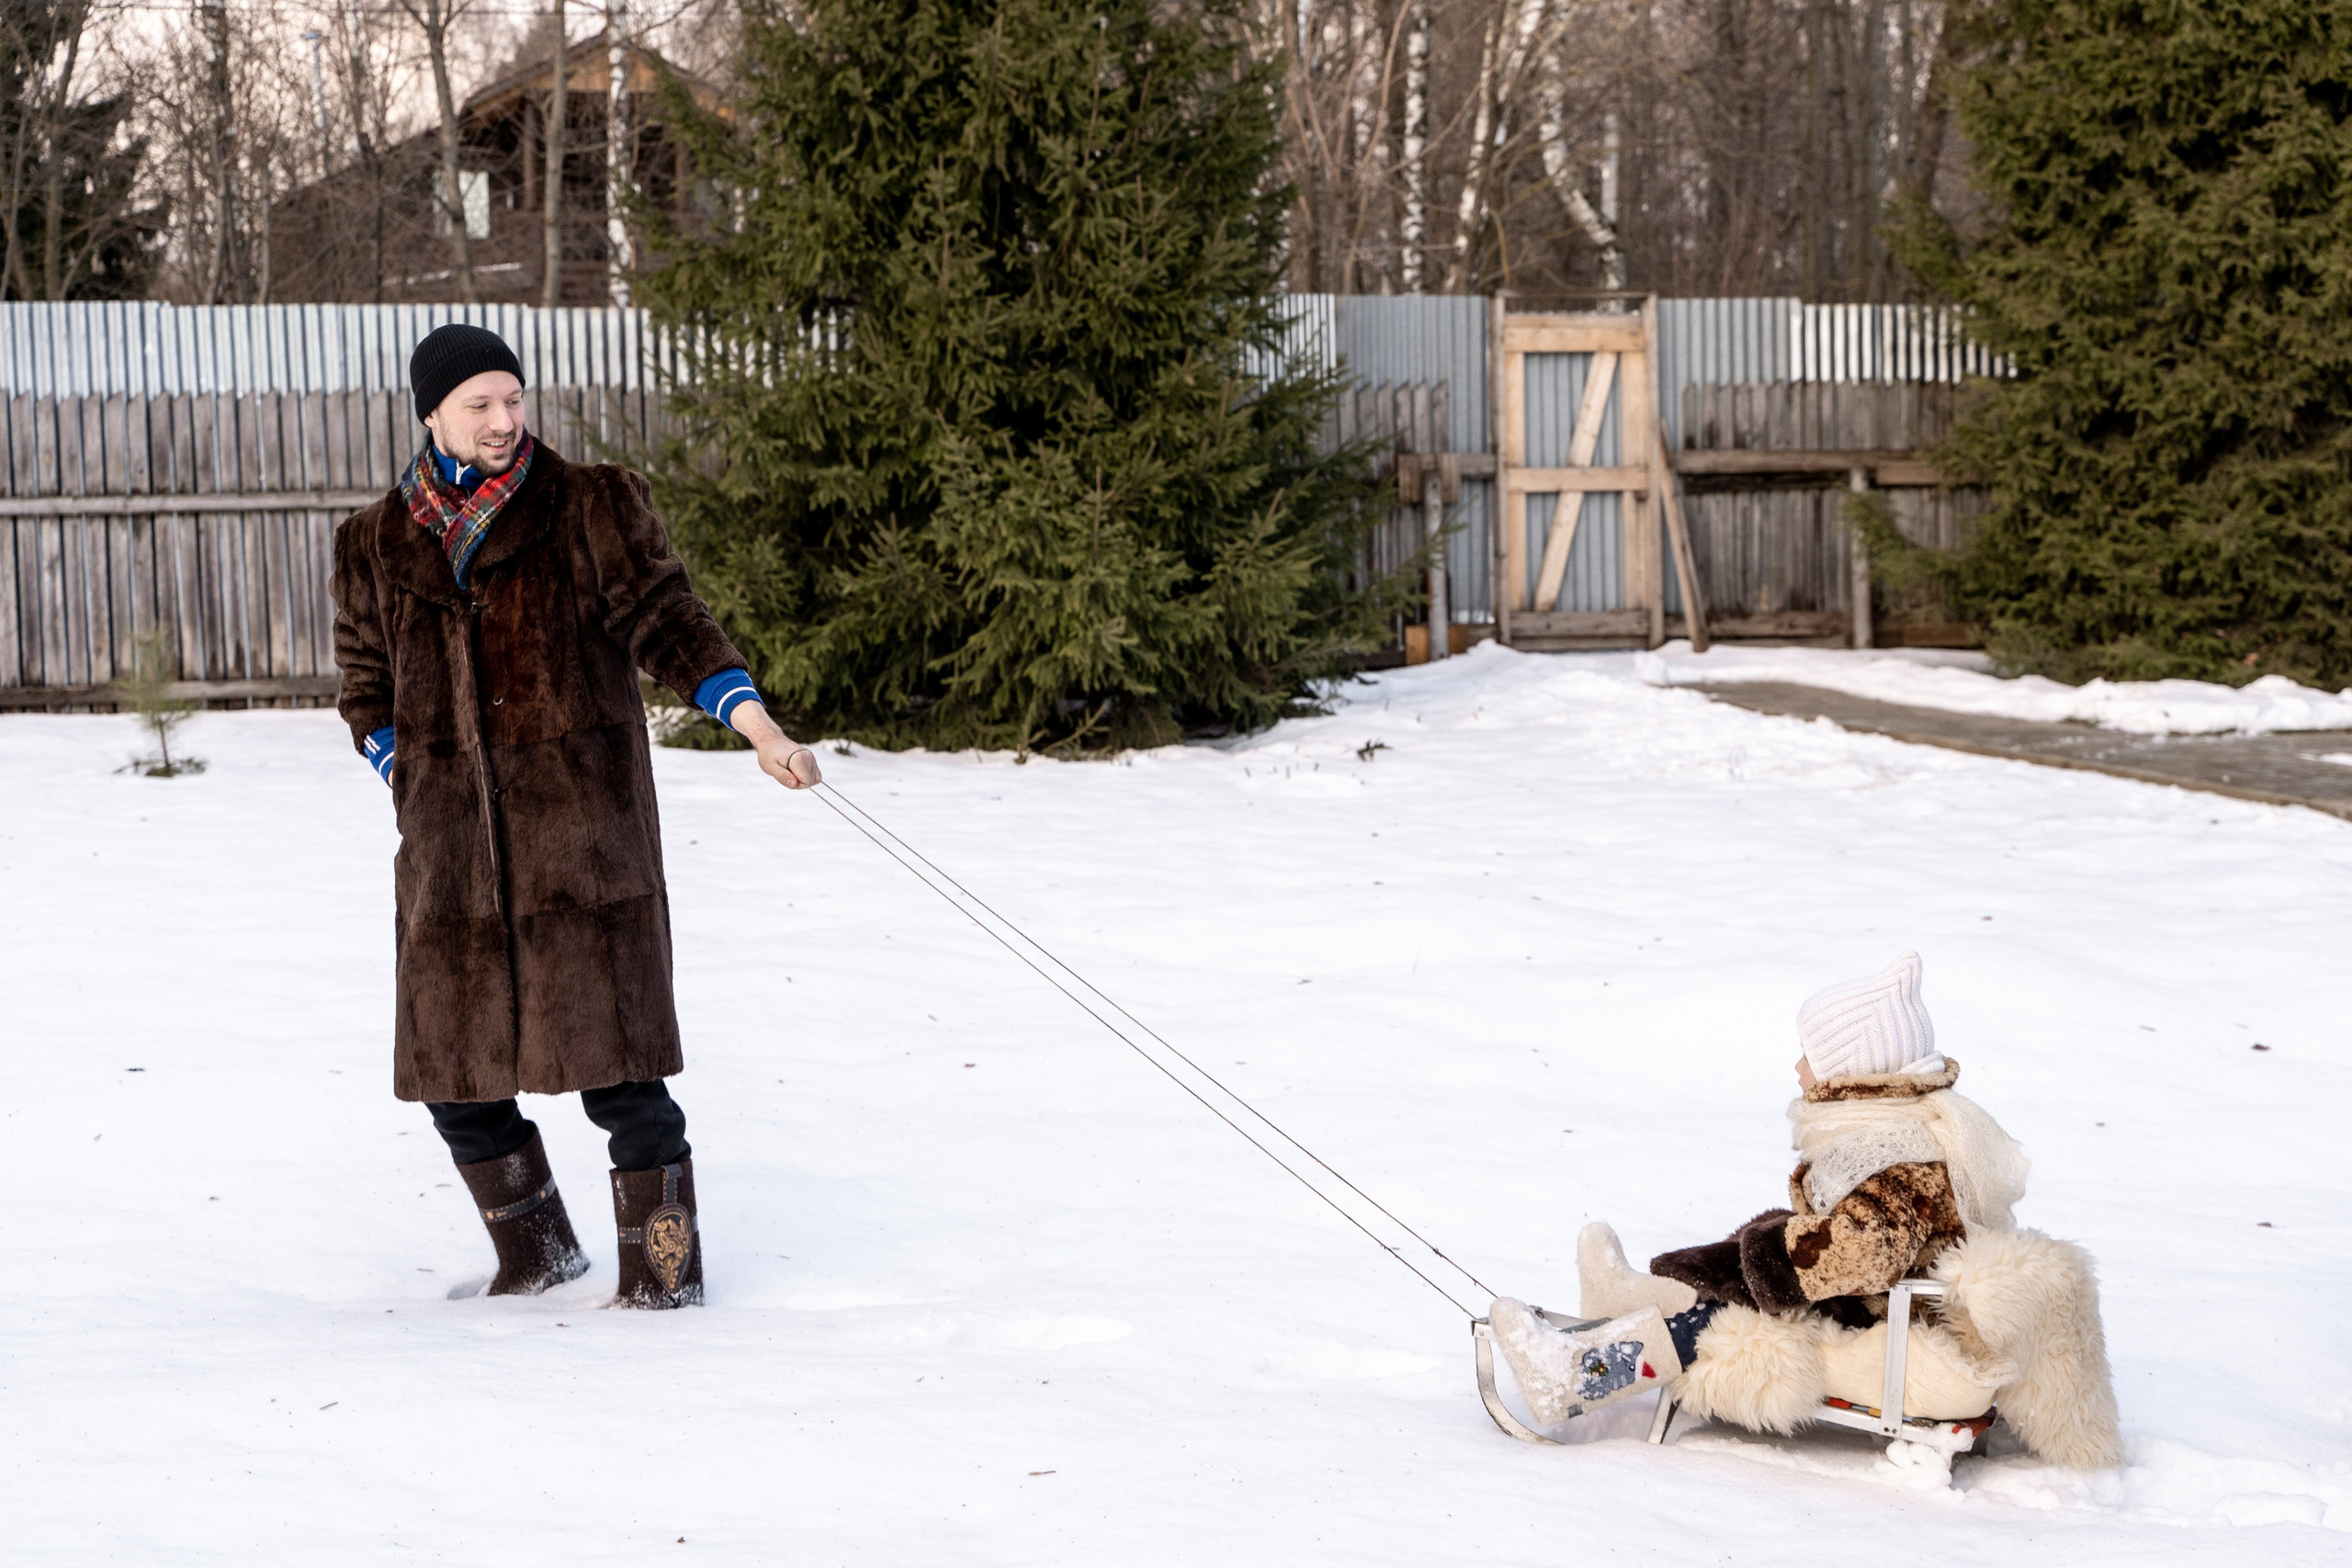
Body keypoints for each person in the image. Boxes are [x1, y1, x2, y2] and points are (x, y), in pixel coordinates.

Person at [331, 322, 820, 1308]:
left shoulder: (591, 504)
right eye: (481, 405)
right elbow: (364, 684)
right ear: (432, 412)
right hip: (451, 858)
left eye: (514, 399)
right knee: (453, 1078)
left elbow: (668, 617)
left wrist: (756, 724)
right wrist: (409, 774)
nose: (506, 420)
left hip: (583, 846)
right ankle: (537, 1256)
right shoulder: (372, 540)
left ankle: (663, 1280)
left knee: (621, 1074)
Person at [1487, 953, 2093, 1448]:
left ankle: (1572, 1379)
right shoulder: (1905, 1131)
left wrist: (1759, 1259)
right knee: (1755, 1254)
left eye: (1811, 1054)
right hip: (1886, 1302)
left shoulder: (1903, 1157)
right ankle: (1621, 1299)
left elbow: (1859, 1253)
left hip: (1894, 1317)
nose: (1798, 1066)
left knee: (1720, 1320)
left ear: (1851, 1069)